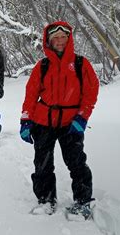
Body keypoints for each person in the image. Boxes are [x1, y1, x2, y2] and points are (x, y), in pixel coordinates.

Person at [19, 21, 99, 218]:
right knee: (42, 164)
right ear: (49, 41)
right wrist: (25, 120)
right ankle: (46, 200)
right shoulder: (43, 66)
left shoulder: (81, 64)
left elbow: (90, 93)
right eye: (56, 38)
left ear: (69, 39)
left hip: (71, 122)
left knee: (76, 162)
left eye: (63, 37)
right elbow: (31, 94)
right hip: (43, 121)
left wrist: (82, 117)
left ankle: (82, 202)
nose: (60, 41)